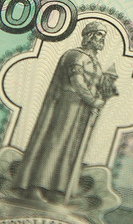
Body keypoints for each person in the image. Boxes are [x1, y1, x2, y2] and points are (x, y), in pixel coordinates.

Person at [13, 21, 108, 203]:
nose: (101, 38)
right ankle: (36, 187)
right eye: (98, 34)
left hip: (81, 110)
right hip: (65, 106)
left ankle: (57, 188)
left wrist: (98, 98)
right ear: (88, 36)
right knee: (56, 144)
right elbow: (77, 82)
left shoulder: (95, 61)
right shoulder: (75, 56)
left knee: (70, 147)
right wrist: (93, 100)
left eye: (103, 36)